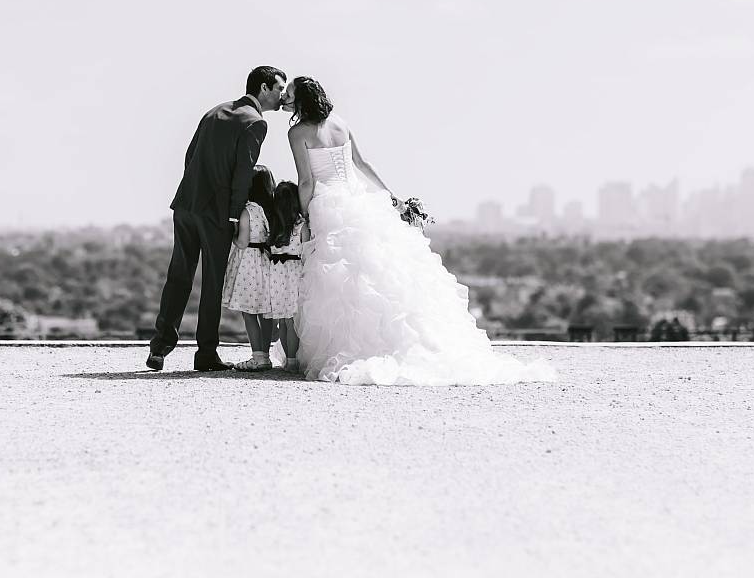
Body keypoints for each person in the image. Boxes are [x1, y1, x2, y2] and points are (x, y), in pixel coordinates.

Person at [283, 76, 557, 385]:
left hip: (327, 202)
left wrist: (305, 213)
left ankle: (345, 347)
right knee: (380, 270)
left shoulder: (297, 133)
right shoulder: (341, 124)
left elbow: (305, 181)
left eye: (289, 94)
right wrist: (392, 199)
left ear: (302, 100)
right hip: (359, 199)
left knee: (337, 277)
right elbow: (362, 163)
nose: (284, 99)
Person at [147, 66, 287, 372]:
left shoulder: (214, 111)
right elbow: (242, 173)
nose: (281, 96)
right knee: (212, 282)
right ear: (264, 88)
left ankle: (159, 347)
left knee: (179, 275)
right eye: (279, 89)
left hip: (186, 203)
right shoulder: (256, 122)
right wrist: (236, 216)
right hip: (217, 213)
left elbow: (190, 156)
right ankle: (206, 353)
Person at [222, 165, 277, 372]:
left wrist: (234, 233)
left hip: (249, 263)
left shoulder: (248, 210)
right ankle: (266, 355)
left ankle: (257, 357)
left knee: (249, 312)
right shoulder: (271, 209)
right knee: (265, 312)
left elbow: (243, 242)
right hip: (267, 260)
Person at [264, 180, 307, 373]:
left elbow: (267, 251)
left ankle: (287, 361)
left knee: (282, 320)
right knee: (292, 321)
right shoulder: (300, 225)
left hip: (276, 273)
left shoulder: (272, 225)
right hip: (294, 272)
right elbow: (306, 251)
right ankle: (292, 360)